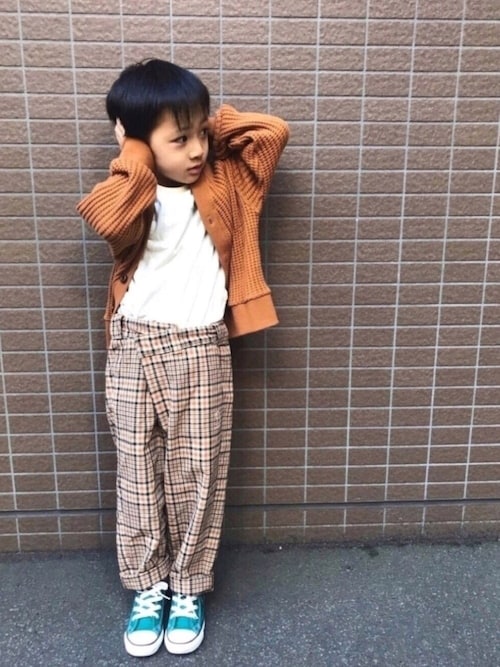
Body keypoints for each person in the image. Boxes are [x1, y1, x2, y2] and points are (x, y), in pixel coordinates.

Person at [76, 58, 289, 657]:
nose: (196, 150)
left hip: (200, 346)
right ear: (140, 144)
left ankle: (188, 586)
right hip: (133, 345)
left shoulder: (228, 182)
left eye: (201, 133)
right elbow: (105, 219)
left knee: (199, 474)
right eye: (179, 139)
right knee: (137, 473)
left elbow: (271, 133)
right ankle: (149, 586)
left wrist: (201, 124)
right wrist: (137, 151)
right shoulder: (130, 191)